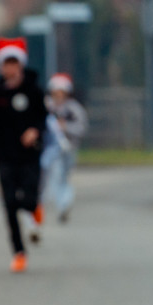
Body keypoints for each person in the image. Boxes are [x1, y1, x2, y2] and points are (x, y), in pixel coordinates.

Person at [0, 37, 47, 273]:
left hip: (29, 154)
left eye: (13, 62)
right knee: (8, 204)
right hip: (4, 154)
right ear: (0, 66)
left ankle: (34, 207)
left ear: (20, 64)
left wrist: (34, 130)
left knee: (28, 199)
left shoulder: (34, 89)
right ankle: (19, 252)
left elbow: (43, 117)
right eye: (5, 63)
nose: (9, 68)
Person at [43, 73, 88, 223]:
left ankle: (65, 203)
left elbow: (81, 128)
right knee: (54, 175)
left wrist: (65, 127)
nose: (58, 96)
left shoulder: (73, 109)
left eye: (61, 92)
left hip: (69, 148)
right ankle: (60, 204)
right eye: (55, 92)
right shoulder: (47, 107)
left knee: (64, 177)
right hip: (51, 149)